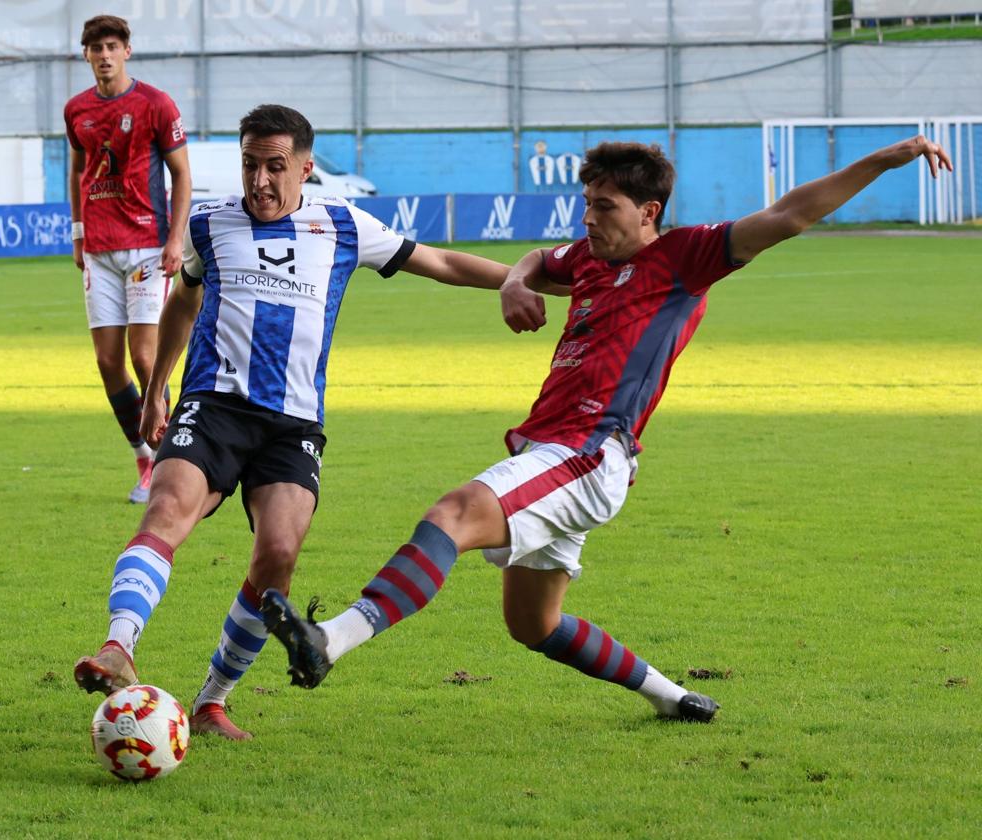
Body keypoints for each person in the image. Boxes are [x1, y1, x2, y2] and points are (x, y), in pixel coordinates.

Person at [260, 135, 954, 723]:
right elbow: (539, 259)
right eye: (586, 204)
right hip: (555, 452)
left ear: (648, 212)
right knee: (532, 625)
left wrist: (887, 159)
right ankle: (669, 695)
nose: (588, 218)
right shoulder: (589, 260)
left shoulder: (686, 257)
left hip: (590, 451)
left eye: (604, 207)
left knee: (453, 513)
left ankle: (330, 640)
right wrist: (516, 279)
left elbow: (792, 213)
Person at [73, 104, 512, 740]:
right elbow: (184, 303)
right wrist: (157, 386)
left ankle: (212, 700)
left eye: (275, 167)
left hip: (293, 424)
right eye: (250, 165)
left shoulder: (342, 225)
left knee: (278, 554)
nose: (260, 182)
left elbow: (439, 262)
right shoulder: (210, 224)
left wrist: (524, 277)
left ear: (306, 168)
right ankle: (118, 646)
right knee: (168, 508)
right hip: (214, 405)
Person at [65, 14, 192, 504]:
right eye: (95, 48)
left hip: (145, 243)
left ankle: (174, 455)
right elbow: (78, 170)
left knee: (145, 357)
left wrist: (175, 239)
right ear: (86, 56)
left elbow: (181, 174)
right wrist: (78, 234)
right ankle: (144, 457)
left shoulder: (155, 104)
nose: (103, 55)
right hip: (98, 248)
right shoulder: (76, 110)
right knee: (106, 361)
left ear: (127, 51)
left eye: (111, 46)